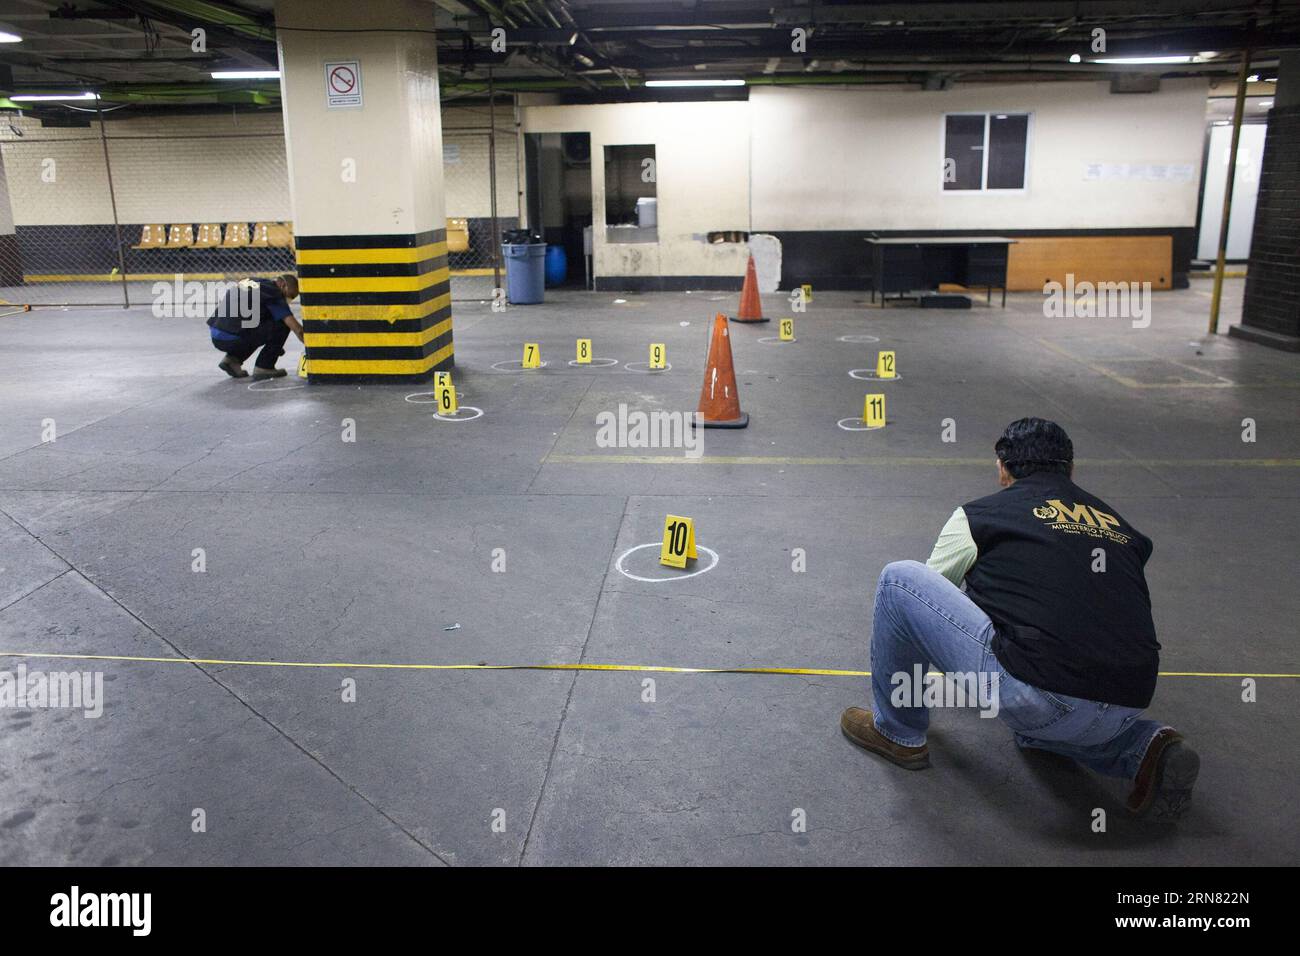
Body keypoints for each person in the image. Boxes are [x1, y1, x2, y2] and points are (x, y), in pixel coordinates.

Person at [841, 417, 1199, 821]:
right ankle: (1142, 745)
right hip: (1129, 696)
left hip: (1039, 696)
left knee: (899, 582)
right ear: (1071, 469)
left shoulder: (979, 516)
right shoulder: (1124, 529)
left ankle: (898, 733)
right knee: (1044, 725)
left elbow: (922, 604)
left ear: (1002, 468)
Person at [207, 274, 303, 380]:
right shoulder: (274, 294)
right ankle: (264, 366)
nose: (289, 300)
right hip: (233, 338)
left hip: (216, 334)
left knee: (256, 326)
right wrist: (315, 348)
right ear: (283, 285)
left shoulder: (256, 281)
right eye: (290, 295)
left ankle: (231, 360)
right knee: (282, 326)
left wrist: (275, 347)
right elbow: (296, 329)